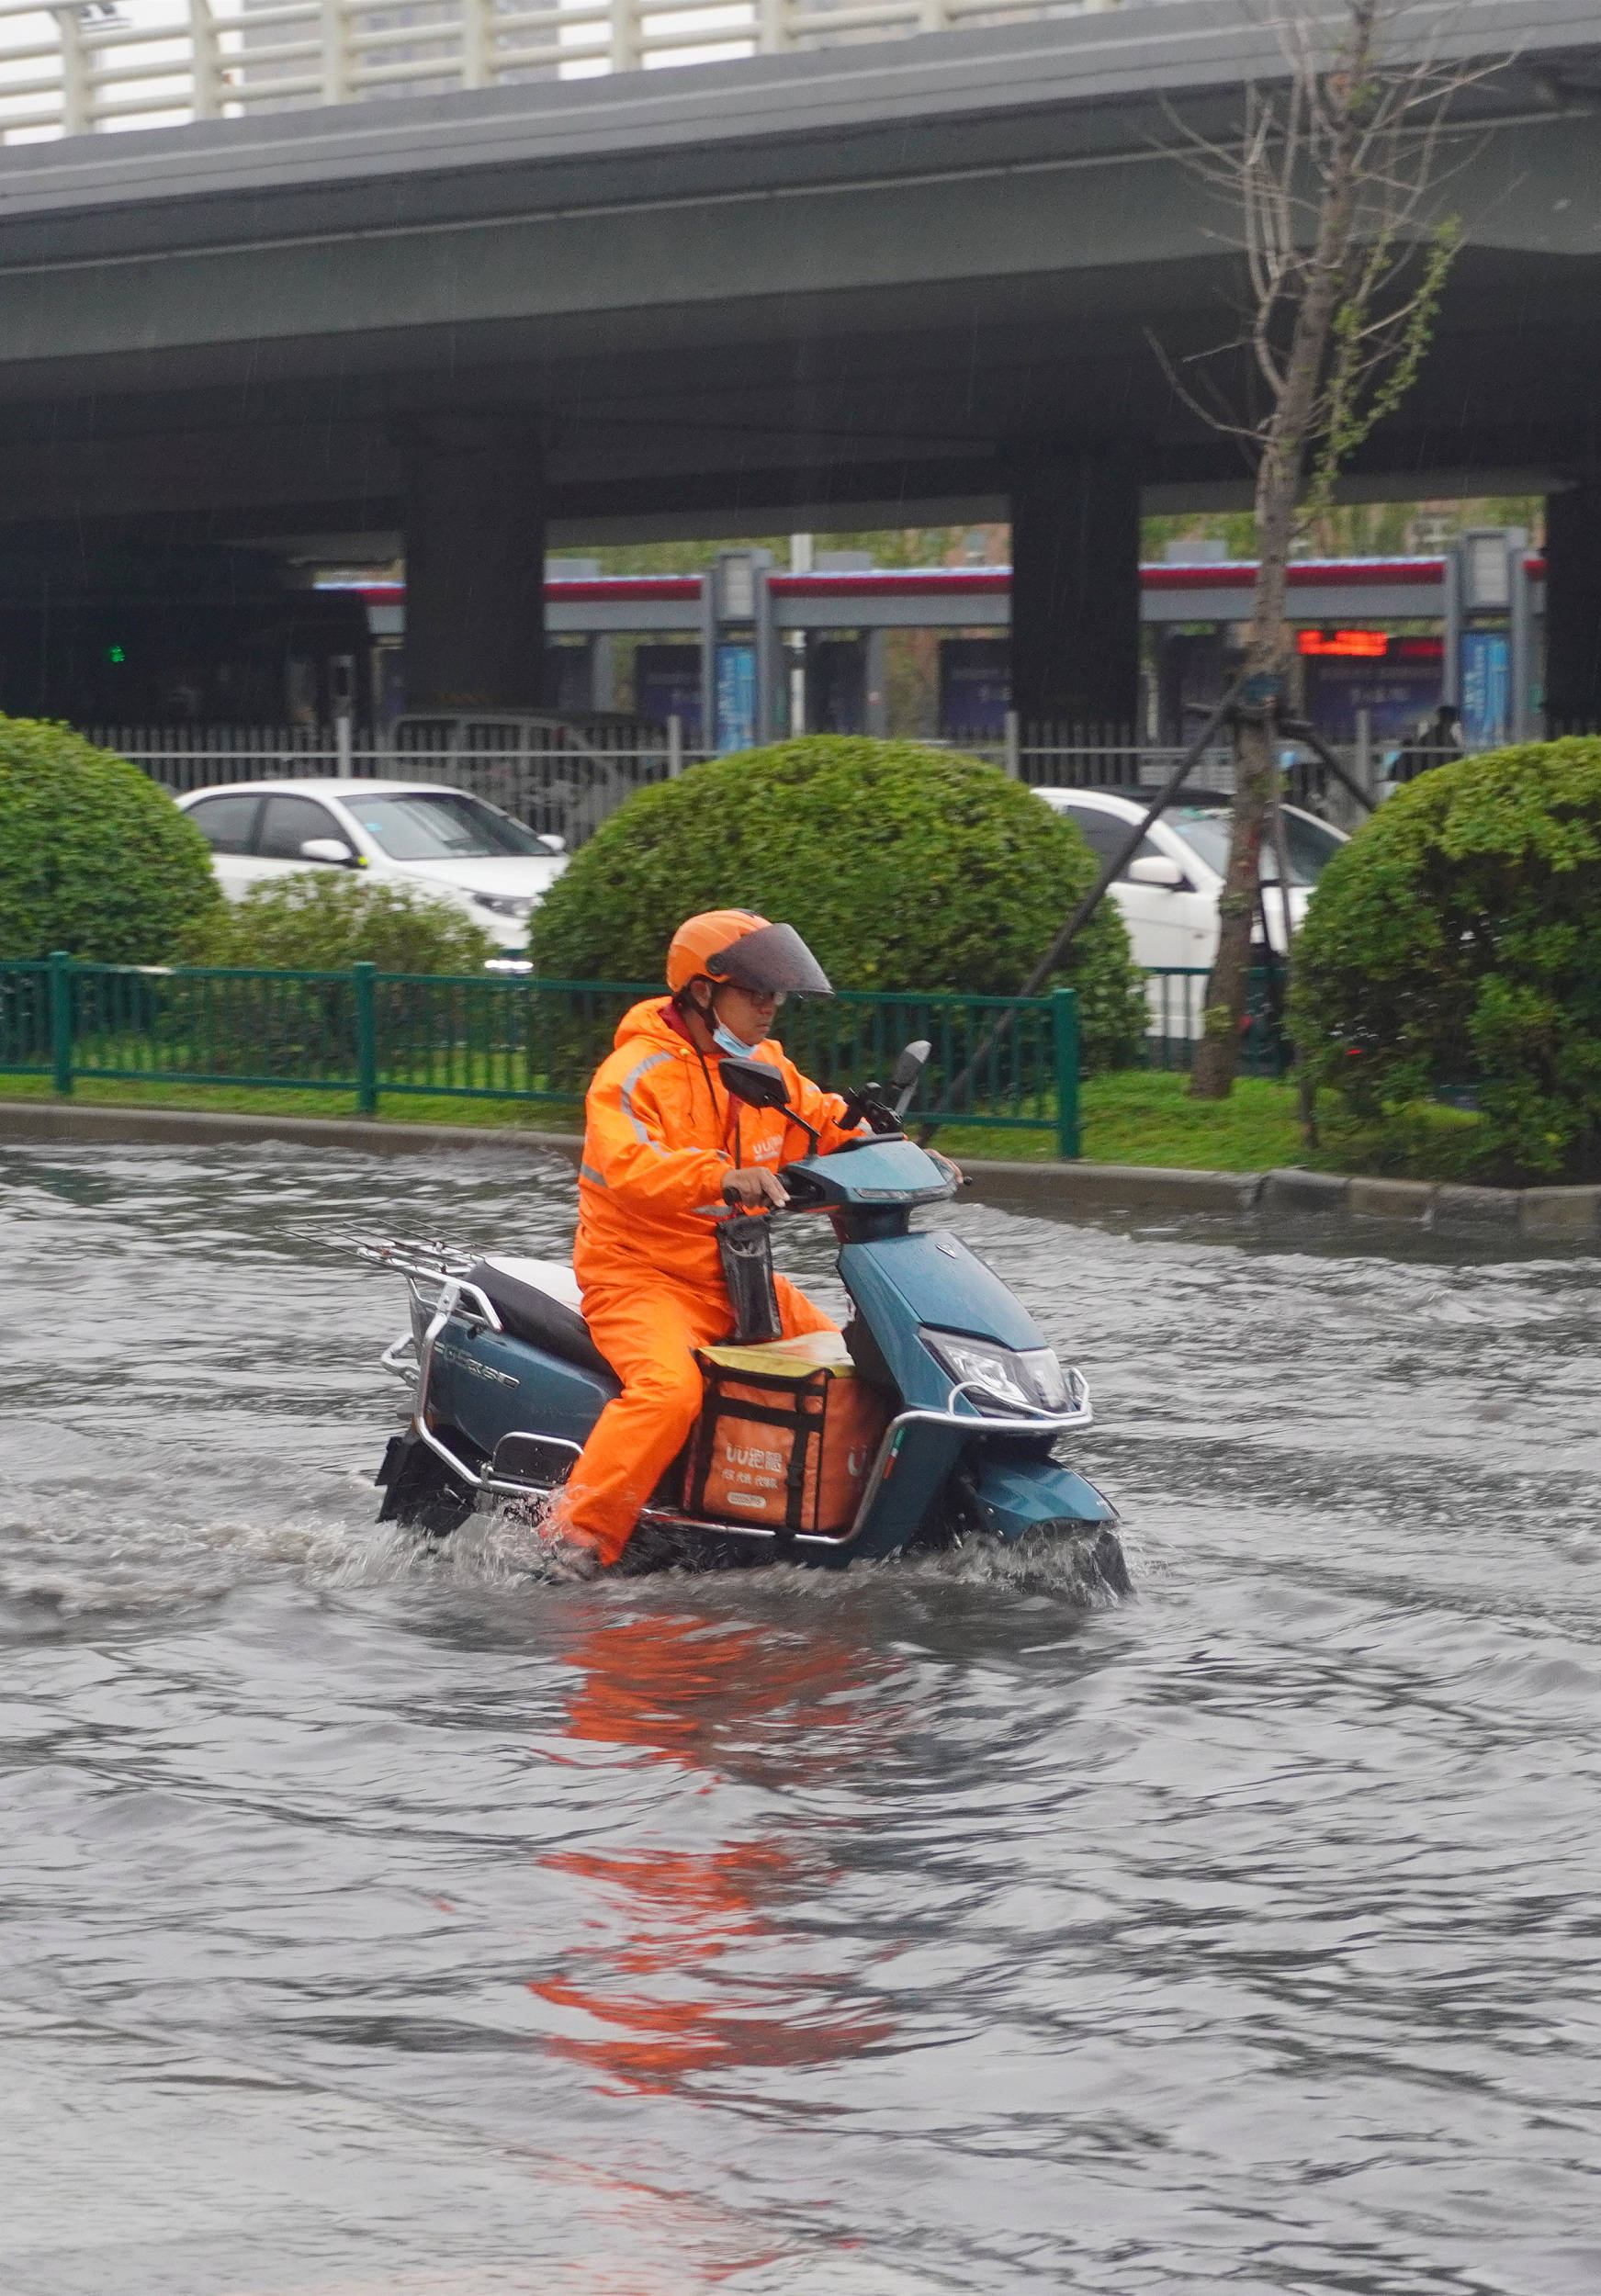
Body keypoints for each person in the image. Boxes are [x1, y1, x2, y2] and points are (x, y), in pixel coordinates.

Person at [538, 909, 864, 1580]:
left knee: (849, 1372)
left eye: (776, 994)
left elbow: (824, 1123)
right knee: (668, 1392)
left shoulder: (764, 1065)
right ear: (700, 991)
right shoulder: (633, 1073)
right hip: (638, 1277)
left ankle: (813, 1520)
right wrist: (720, 1175)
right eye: (756, 992)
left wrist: (899, 1151)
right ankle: (572, 1543)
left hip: (737, 1276)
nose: (770, 1007)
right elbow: (628, 1166)